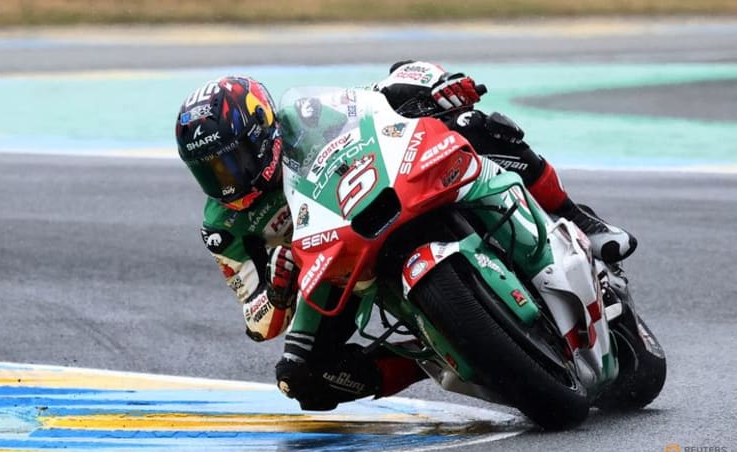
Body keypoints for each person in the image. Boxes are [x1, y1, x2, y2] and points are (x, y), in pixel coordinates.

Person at [174, 61, 637, 411]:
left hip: (384, 190)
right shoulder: (223, 227)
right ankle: (426, 358)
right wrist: (277, 293)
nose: (226, 181)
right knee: (301, 378)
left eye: (230, 161)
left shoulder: (306, 115)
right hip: (331, 266)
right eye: (209, 172)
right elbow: (257, 321)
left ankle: (579, 219)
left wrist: (434, 87)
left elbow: (378, 94)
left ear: (262, 130)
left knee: (477, 126)